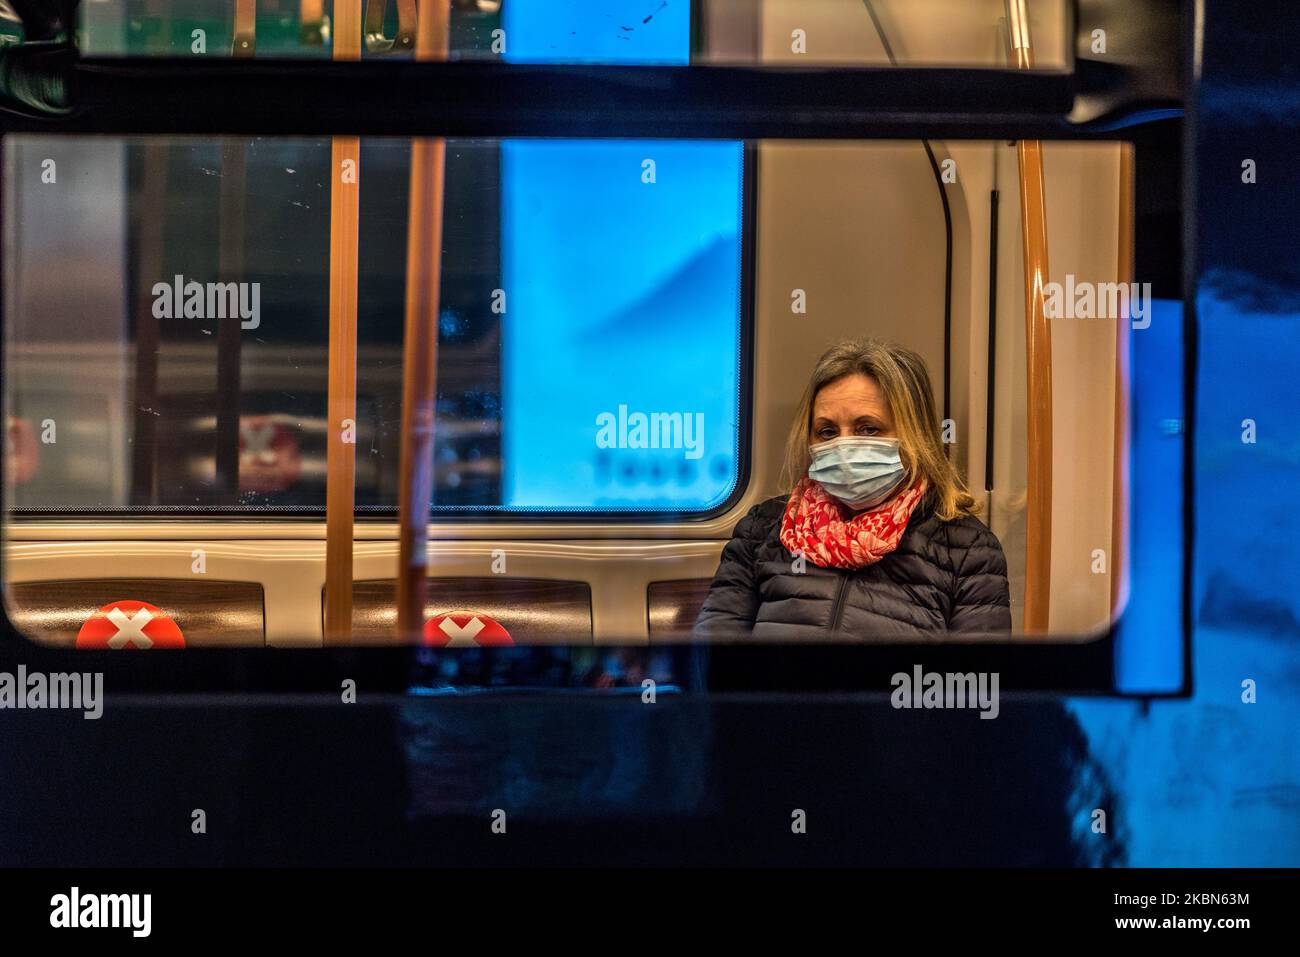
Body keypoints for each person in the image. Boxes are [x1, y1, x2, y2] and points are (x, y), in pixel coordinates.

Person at [694, 338, 1011, 639]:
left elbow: (975, 685)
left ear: (915, 435)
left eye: (868, 428)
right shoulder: (762, 530)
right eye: (827, 431)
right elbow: (711, 661)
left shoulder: (968, 549)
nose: (844, 446)